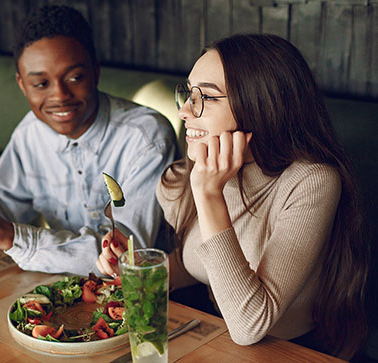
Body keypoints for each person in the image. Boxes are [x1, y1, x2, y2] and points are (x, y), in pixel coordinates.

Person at [96, 33, 369, 359]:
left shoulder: (312, 182)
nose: (184, 111)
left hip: (289, 351)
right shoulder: (181, 179)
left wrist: (209, 195)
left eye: (207, 98)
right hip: (213, 336)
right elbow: (201, 266)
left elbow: (250, 325)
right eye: (188, 93)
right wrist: (142, 270)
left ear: (261, 105)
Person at [0, 5, 178, 276]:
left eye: (75, 78)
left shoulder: (146, 137)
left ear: (96, 71)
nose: (60, 95)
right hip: (63, 290)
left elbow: (128, 253)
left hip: (152, 296)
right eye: (41, 84)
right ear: (22, 85)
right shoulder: (30, 133)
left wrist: (10, 237)